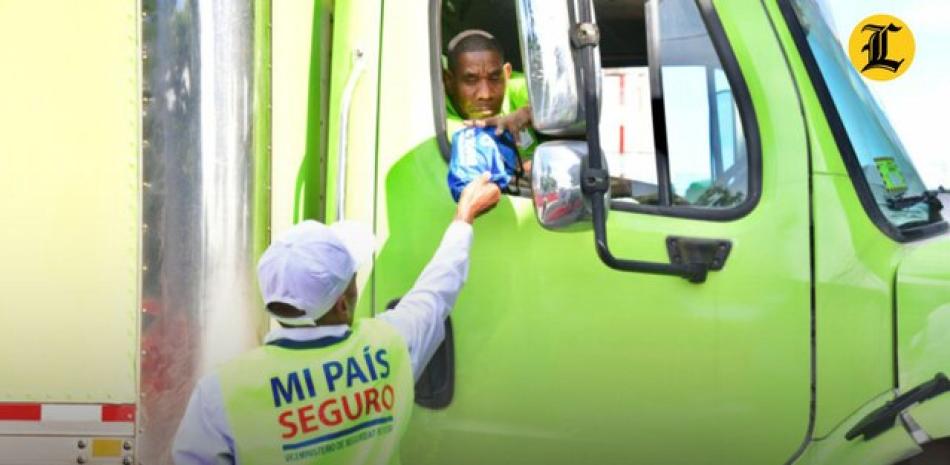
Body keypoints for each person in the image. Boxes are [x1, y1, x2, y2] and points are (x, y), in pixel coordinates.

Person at [172, 174, 501, 465]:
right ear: (343, 304)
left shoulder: (222, 392)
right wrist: (464, 216)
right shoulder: (390, 347)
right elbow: (437, 290)